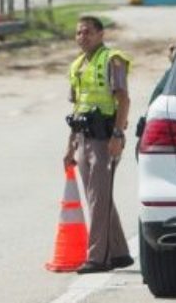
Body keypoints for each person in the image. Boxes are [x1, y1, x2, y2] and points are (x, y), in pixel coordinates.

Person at [64, 16, 134, 274]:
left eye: (88, 32)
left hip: (106, 139)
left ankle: (97, 258)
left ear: (101, 34)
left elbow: (124, 100)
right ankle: (118, 253)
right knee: (99, 197)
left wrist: (117, 135)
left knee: (97, 198)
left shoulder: (112, 60)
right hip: (82, 138)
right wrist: (70, 145)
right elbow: (77, 107)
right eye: (79, 33)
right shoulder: (77, 66)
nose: (82, 37)